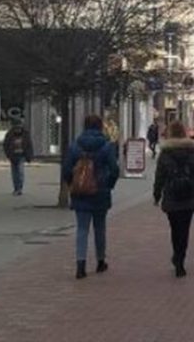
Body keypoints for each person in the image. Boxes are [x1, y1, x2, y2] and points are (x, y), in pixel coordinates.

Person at [62, 114, 121, 279]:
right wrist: (109, 184)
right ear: (100, 126)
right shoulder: (107, 146)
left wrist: (73, 184)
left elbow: (66, 169)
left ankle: (80, 265)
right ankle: (100, 261)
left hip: (80, 192)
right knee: (99, 227)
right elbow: (114, 169)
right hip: (100, 191)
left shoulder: (75, 146)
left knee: (82, 228)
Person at [153, 121, 194, 277]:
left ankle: (177, 256)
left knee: (175, 229)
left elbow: (159, 177)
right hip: (188, 196)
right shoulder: (192, 153)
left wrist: (157, 195)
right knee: (185, 229)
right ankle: (181, 259)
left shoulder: (165, 154)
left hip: (171, 196)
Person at [1, 122, 34, 196]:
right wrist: (8, 154)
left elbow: (29, 145)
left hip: (21, 156)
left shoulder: (25, 135)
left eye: (19, 128)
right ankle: (16, 188)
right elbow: (6, 145)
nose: (17, 130)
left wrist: (29, 156)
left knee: (20, 172)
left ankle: (19, 188)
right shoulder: (10, 134)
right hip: (13, 156)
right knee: (14, 173)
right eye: (16, 128)